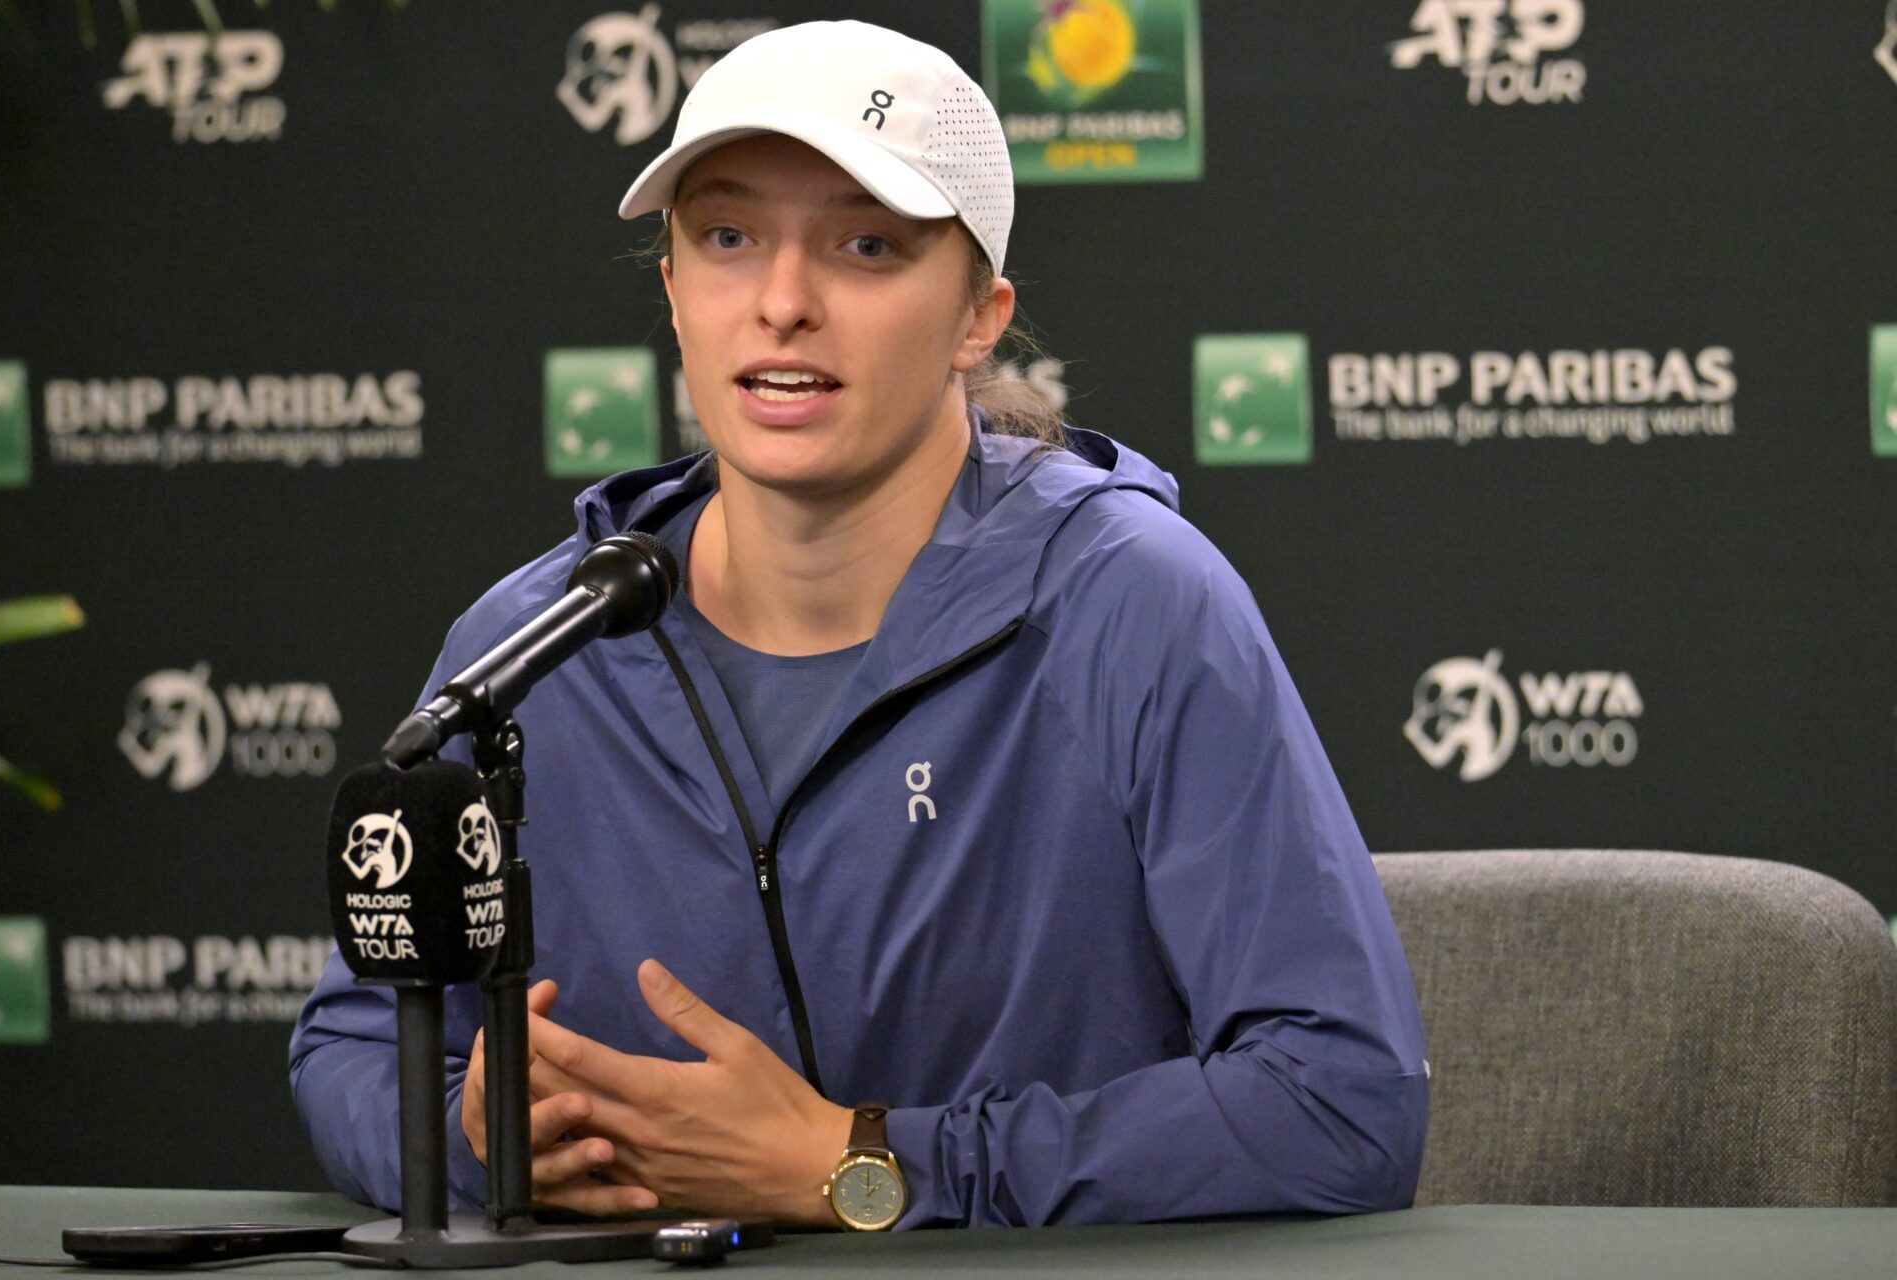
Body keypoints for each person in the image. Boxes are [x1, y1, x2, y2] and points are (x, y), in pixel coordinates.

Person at [290, 19, 1429, 1230]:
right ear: (673, 287)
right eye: (727, 238)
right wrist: (479, 1134)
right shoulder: (534, 639)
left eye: (866, 245)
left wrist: (858, 1162)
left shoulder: (1133, 601)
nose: (783, 303)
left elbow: (1343, 1102)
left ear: (978, 317)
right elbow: (356, 1040)